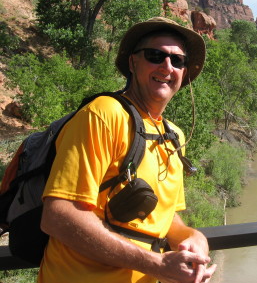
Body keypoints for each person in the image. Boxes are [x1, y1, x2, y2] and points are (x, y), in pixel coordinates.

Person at [38, 17, 216, 283]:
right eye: (156, 55)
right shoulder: (104, 114)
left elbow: (167, 218)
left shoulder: (174, 135)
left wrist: (193, 237)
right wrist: (156, 263)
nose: (167, 66)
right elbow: (59, 216)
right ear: (133, 63)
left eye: (178, 60)